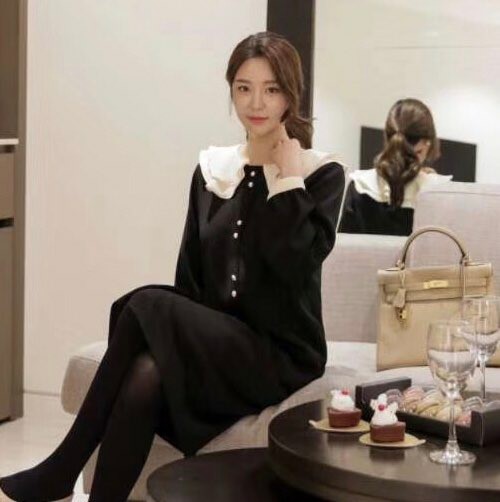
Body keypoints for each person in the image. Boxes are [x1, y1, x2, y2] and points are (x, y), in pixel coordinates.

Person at [0, 31, 345, 502]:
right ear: (231, 91)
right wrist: (184, 344)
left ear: (291, 93)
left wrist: (286, 180)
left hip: (280, 354)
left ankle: (61, 469)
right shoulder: (213, 170)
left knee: (145, 303)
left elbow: (296, 264)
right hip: (219, 344)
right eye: (243, 88)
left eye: (271, 89)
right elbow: (191, 277)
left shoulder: (320, 173)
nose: (256, 102)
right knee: (145, 372)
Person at [339, 98, 451, 236]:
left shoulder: (361, 185)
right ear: (425, 144)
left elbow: (345, 245)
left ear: (387, 137)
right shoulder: (441, 191)